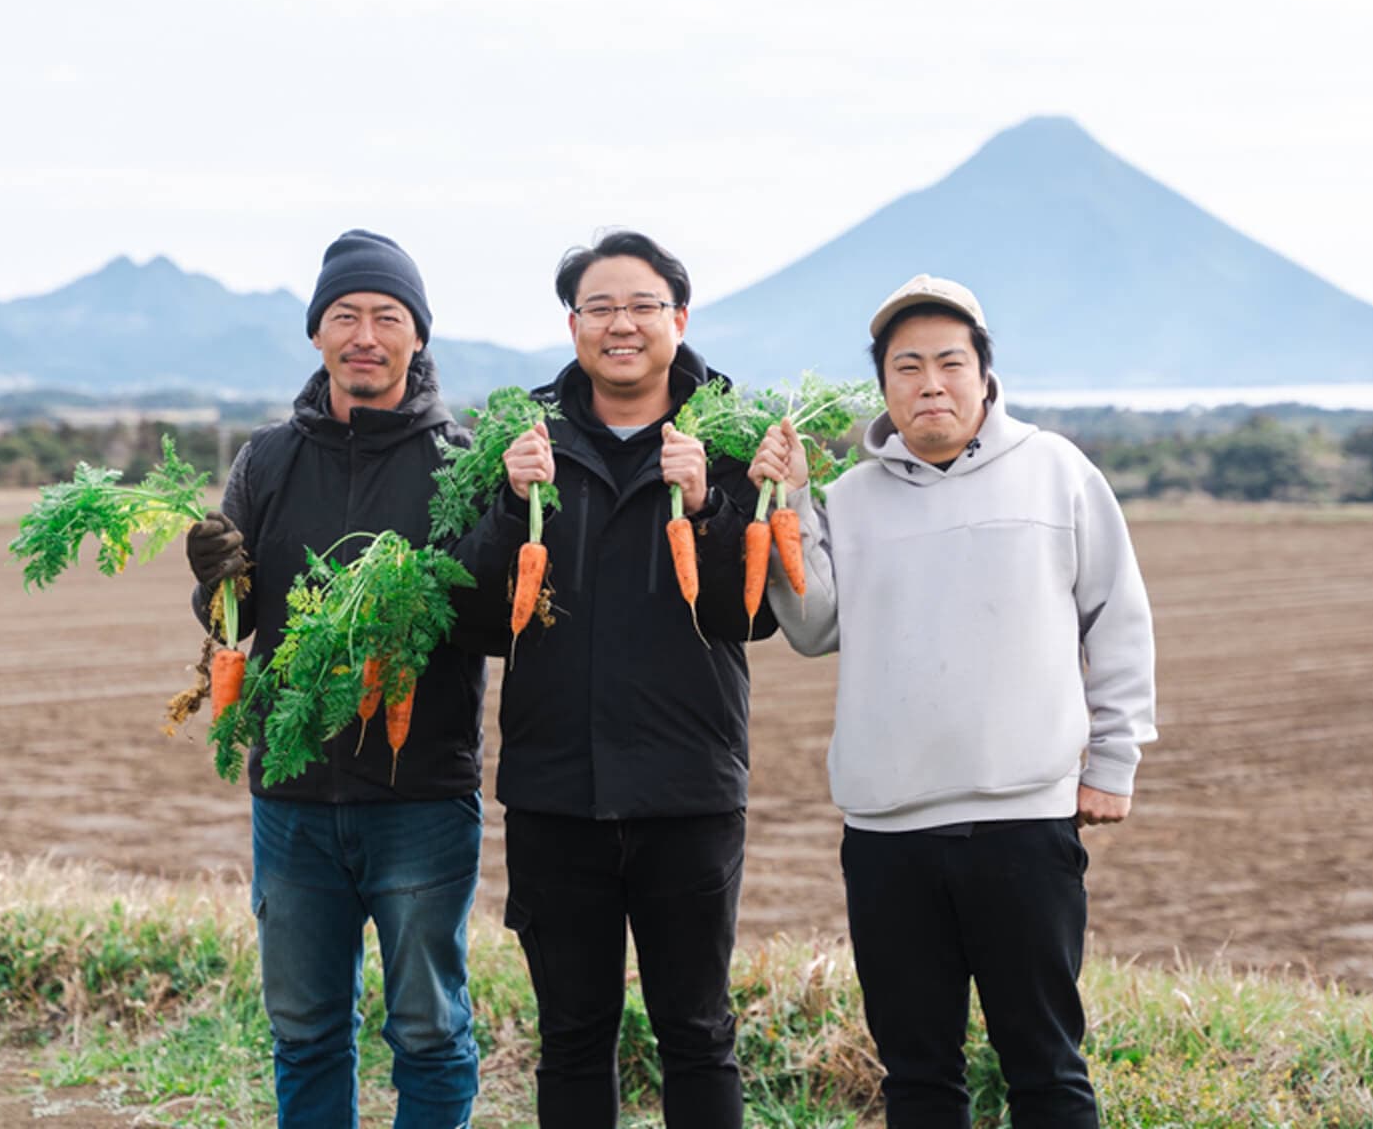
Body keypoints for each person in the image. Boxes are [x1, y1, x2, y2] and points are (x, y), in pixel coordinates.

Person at [747, 274, 1157, 1129]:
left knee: (1044, 1063)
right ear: (884, 387)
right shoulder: (845, 499)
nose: (930, 383)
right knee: (917, 1072)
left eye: (949, 363)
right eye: (907, 368)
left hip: (1023, 821)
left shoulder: (1057, 473)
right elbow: (813, 625)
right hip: (887, 832)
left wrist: (1113, 762)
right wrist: (783, 501)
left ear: (983, 374)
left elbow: (1117, 619)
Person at [450, 230, 776, 1127]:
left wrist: (709, 506)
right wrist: (514, 507)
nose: (621, 325)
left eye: (641, 306)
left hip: (688, 792)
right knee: (573, 1036)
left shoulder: (736, 441)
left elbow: (754, 615)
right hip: (558, 791)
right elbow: (481, 620)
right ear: (572, 324)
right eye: (600, 308)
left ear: (678, 317)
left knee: (697, 1031)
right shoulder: (519, 443)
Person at [183, 229, 487, 1128]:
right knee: (305, 1029)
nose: (366, 334)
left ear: (417, 337)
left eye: (387, 316)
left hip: (421, 796)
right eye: (344, 315)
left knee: (430, 1029)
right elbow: (229, 628)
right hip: (292, 798)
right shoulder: (266, 460)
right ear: (317, 335)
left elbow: (487, 617)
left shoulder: (460, 463)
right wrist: (214, 585)